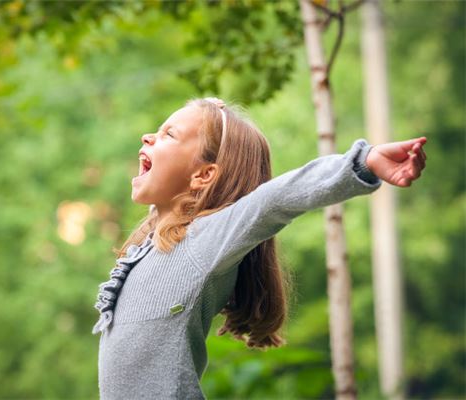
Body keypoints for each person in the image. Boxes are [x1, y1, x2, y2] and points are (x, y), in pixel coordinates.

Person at [92, 97, 427, 399]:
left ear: (204, 175)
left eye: (169, 135)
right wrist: (207, 109)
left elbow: (271, 202)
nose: (147, 137)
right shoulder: (152, 244)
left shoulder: (201, 244)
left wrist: (362, 162)